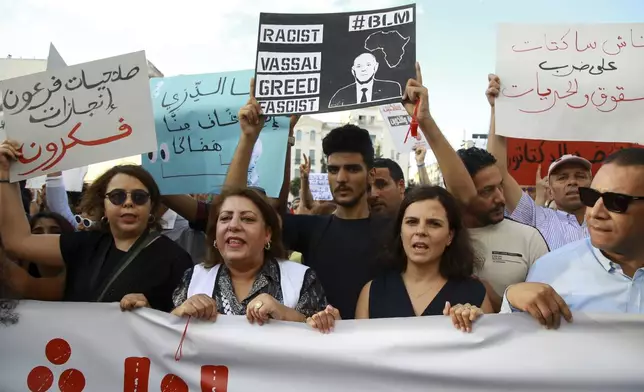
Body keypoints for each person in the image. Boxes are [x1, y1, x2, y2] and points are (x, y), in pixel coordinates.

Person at [399, 63, 549, 312]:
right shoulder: (430, 240)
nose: (500, 198)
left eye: (499, 186)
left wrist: (499, 302)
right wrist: (424, 120)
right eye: (486, 191)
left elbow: (548, 306)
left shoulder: (528, 239)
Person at [0, 141, 192, 313]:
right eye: (117, 196)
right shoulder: (85, 246)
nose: (128, 203)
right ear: (104, 206)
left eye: (139, 197)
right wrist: (4, 175)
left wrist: (150, 313)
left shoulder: (175, 259)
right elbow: (18, 242)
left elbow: (181, 329)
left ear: (151, 206)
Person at [501, 148, 644, 327]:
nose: (596, 213)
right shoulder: (549, 270)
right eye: (592, 197)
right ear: (550, 190)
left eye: (616, 202)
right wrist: (512, 296)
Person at [168, 187, 337, 333]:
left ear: (267, 234)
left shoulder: (301, 279)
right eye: (225, 218)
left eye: (247, 219)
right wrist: (180, 314)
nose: (233, 226)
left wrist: (285, 314)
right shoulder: (193, 278)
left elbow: (320, 346)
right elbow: (165, 343)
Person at [355, 186, 492, 332]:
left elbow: (489, 349)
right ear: (400, 231)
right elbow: (359, 351)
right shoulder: (373, 292)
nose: (420, 231)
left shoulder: (474, 293)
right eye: (411, 222)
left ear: (450, 236)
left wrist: (478, 323)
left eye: (434, 223)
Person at [485, 74, 591, 250]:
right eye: (562, 177)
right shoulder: (535, 218)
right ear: (549, 187)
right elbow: (497, 172)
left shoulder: (613, 220)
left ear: (592, 182)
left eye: (580, 176)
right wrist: (498, 111)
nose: (573, 182)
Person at [328, 53, 402, 108]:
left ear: (375, 67)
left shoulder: (391, 88)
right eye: (359, 66)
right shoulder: (341, 95)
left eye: (368, 65)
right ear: (353, 71)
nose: (363, 69)